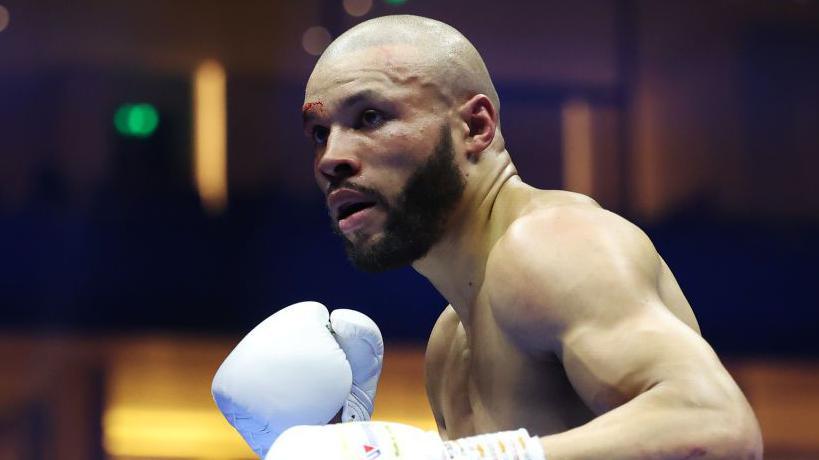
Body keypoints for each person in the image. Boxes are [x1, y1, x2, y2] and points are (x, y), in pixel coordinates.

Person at [214, 15, 763, 460]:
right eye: (319, 133)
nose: (331, 157)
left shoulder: (553, 244)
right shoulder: (449, 342)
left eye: (371, 116)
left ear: (476, 127)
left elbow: (717, 427)